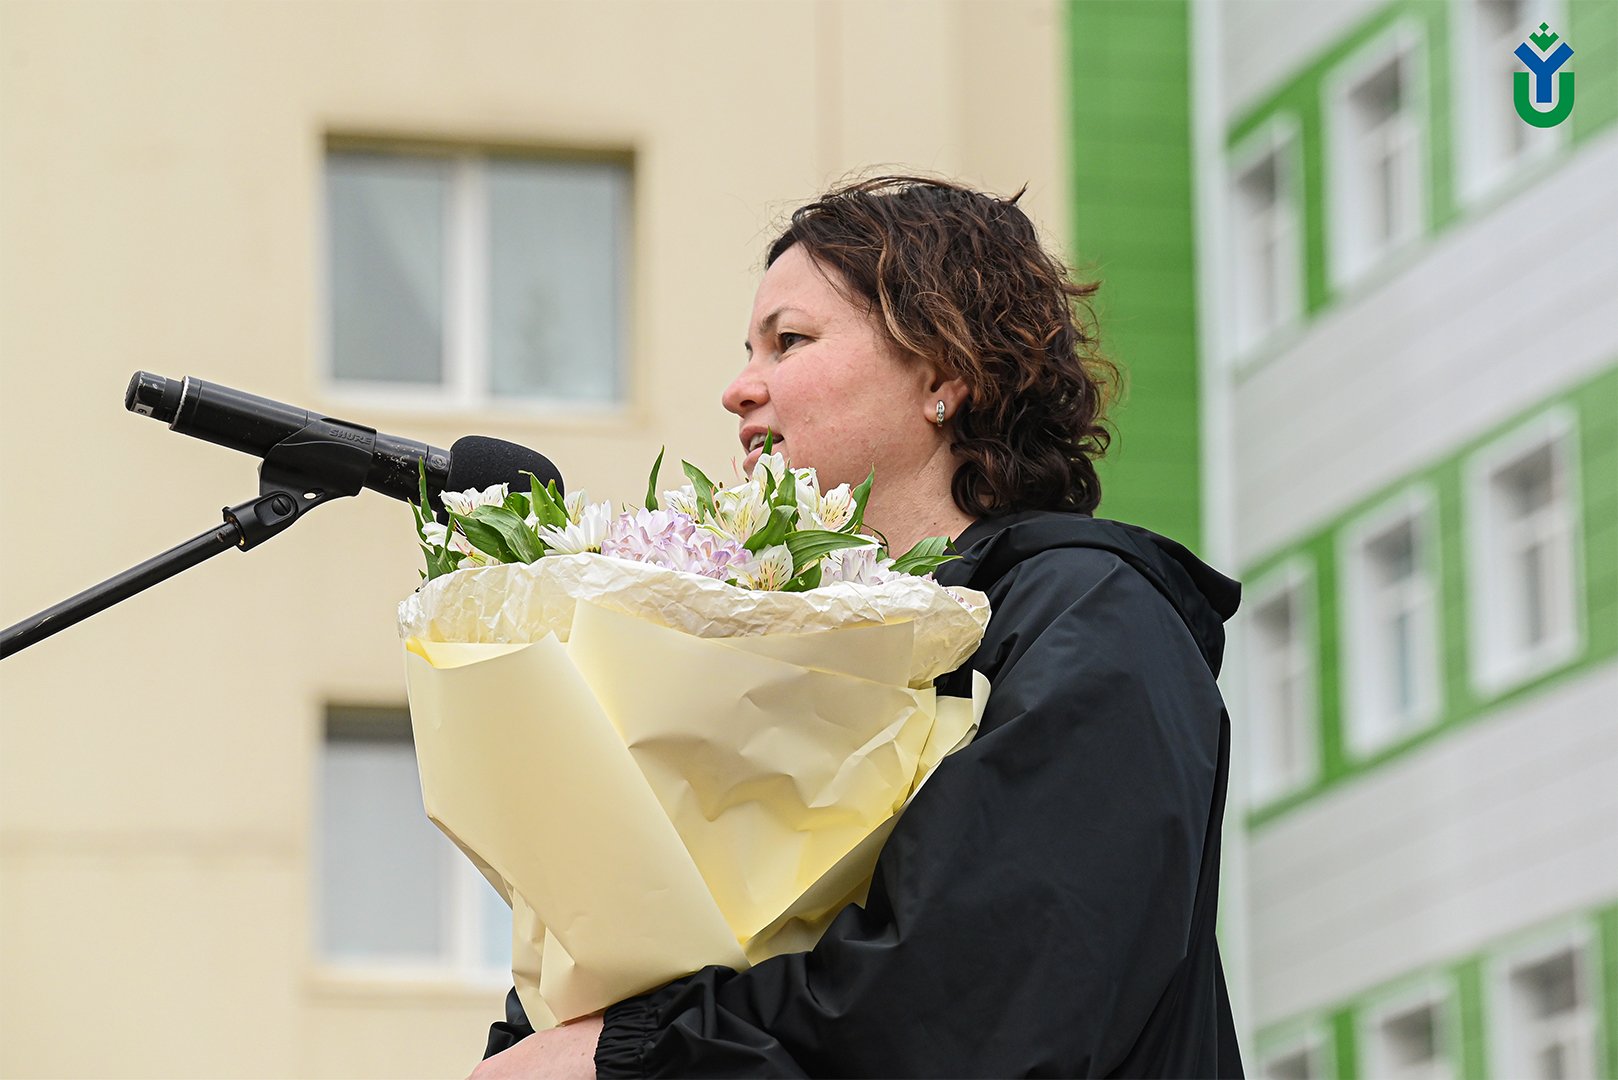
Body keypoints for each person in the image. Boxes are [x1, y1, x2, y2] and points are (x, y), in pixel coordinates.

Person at [473, 175, 1244, 1079]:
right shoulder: (754, 640)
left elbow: (980, 1005)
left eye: (789, 342)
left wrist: (635, 1055)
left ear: (947, 371)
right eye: (748, 350)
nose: (737, 389)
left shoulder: (1092, 619)